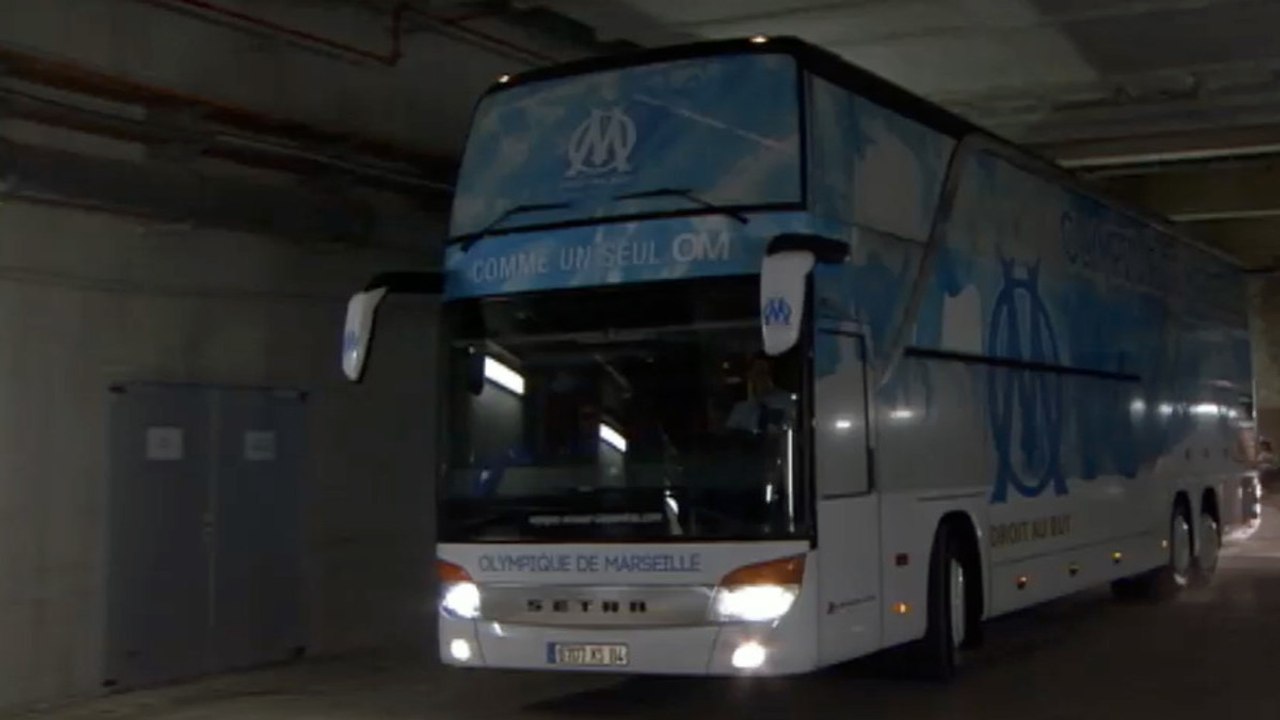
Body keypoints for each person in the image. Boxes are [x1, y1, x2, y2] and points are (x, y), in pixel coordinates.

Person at [725, 355, 795, 435]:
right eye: (756, 373)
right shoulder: (740, 408)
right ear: (749, 376)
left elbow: (791, 427)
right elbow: (731, 434)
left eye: (763, 372)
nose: (760, 378)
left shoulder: (784, 399)